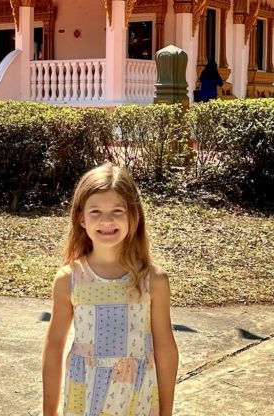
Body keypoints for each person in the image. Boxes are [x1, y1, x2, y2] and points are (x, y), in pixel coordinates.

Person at [42, 164, 178, 416]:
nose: (107, 220)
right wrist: (49, 411)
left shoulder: (154, 280)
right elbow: (54, 346)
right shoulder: (69, 280)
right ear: (81, 217)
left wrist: (166, 412)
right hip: (84, 400)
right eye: (96, 212)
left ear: (133, 217)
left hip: (138, 400)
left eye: (117, 210)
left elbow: (165, 348)